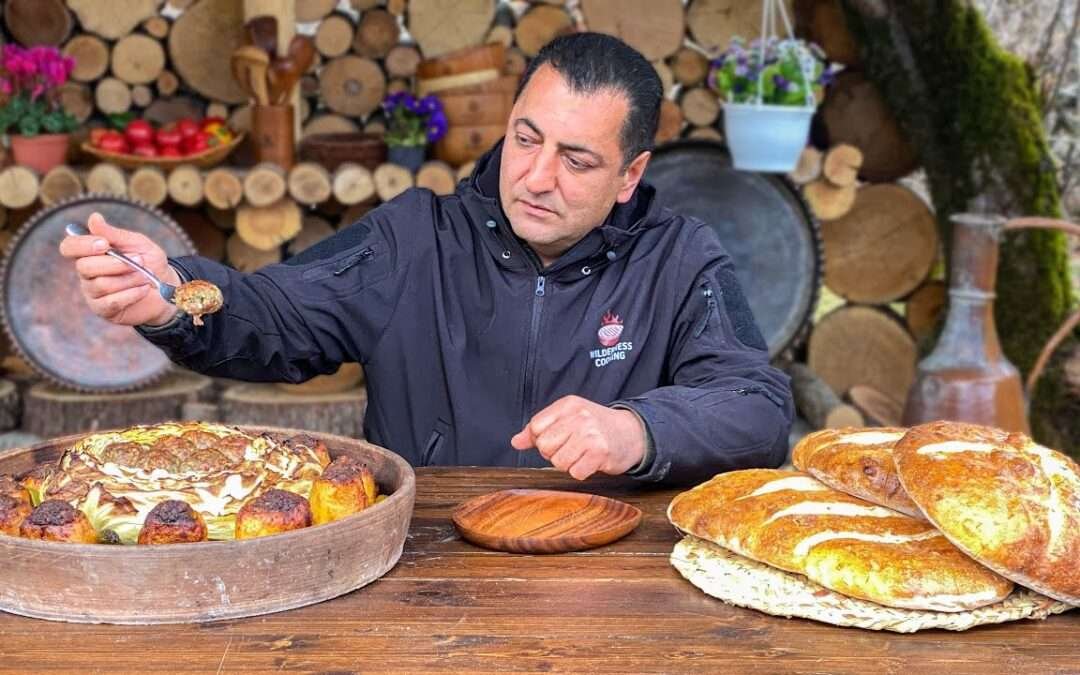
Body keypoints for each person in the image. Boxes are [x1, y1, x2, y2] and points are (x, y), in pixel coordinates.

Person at [60, 33, 793, 486]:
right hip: (423, 556)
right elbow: (277, 314)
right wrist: (174, 293)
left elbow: (756, 408)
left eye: (576, 158)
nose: (536, 176)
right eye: (526, 138)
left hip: (603, 569)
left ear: (629, 175)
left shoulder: (677, 257)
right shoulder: (414, 237)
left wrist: (637, 430)